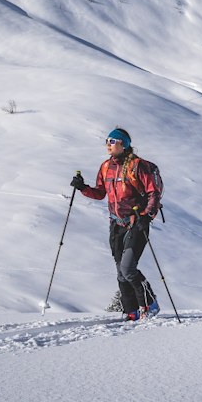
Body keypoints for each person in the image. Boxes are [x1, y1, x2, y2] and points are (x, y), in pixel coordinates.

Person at [70, 127, 162, 320]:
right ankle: (131, 311)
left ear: (123, 144)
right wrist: (83, 188)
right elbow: (100, 193)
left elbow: (153, 192)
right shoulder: (105, 167)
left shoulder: (138, 166)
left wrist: (147, 215)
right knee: (121, 272)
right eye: (107, 141)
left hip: (137, 222)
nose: (108, 144)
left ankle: (150, 304)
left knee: (128, 268)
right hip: (116, 224)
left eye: (112, 141)